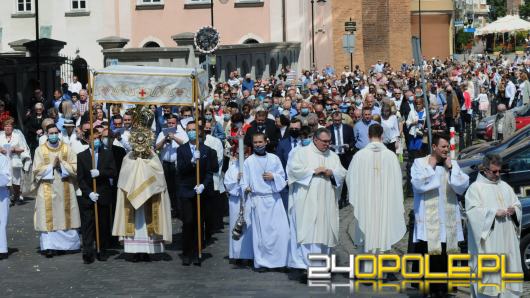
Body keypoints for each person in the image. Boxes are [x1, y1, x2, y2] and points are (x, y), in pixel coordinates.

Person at [411, 134, 469, 296]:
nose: (446, 150)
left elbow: (461, 186)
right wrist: (430, 168)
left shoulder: (452, 164)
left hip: (447, 220)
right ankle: (430, 289)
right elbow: (418, 185)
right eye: (443, 147)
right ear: (434, 147)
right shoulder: (420, 163)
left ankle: (445, 288)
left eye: (447, 147)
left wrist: (450, 169)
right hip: (428, 221)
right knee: (430, 256)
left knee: (446, 255)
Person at [112, 112, 172, 262]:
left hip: (149, 199)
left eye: (143, 142)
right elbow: (124, 177)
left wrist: (149, 186)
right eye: (138, 142)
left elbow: (159, 175)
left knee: (147, 224)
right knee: (135, 223)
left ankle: (147, 251)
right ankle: (134, 251)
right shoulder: (128, 158)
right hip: (132, 201)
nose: (140, 145)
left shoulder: (153, 157)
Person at [287, 128, 346, 277]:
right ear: (315, 139)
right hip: (307, 199)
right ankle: (306, 266)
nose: (327, 144)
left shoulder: (333, 156)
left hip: (326, 200)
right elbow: (293, 171)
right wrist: (313, 171)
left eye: (329, 141)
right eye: (324, 141)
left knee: (325, 230)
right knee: (308, 230)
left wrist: (331, 173)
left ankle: (322, 266)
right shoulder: (301, 153)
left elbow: (342, 173)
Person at [346, 124, 405, 273]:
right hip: (385, 202)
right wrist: (395, 201)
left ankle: (366, 272)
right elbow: (398, 181)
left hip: (365, 203)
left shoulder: (359, 156)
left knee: (366, 233)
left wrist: (358, 196)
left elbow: (350, 178)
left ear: (368, 135)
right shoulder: (391, 156)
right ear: (382, 135)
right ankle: (381, 272)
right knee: (382, 232)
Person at [465, 154, 523, 297]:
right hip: (489, 242)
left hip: (507, 239)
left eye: (499, 171)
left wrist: (514, 210)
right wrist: (492, 213)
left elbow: (517, 205)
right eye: (494, 171)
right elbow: (472, 212)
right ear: (485, 170)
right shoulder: (475, 188)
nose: (498, 175)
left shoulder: (505, 187)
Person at [240, 133, 289, 270]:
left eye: (260, 142)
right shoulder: (248, 161)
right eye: (255, 142)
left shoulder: (274, 158)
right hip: (258, 200)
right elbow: (244, 182)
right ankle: (262, 262)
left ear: (266, 142)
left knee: (281, 232)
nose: (258, 144)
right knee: (261, 235)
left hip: (274, 199)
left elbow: (282, 176)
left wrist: (273, 176)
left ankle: (281, 261)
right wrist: (246, 188)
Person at [32, 124, 81, 258]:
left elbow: (76, 167)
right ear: (47, 134)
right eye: (51, 133)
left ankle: (65, 246)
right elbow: (36, 170)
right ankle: (49, 247)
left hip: (65, 186)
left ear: (59, 133)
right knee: (47, 218)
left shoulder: (67, 148)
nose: (53, 135)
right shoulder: (40, 150)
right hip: (46, 188)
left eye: (55, 132)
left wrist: (62, 165)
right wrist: (51, 166)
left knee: (65, 215)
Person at [176, 121, 217, 266]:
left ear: (199, 132)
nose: (191, 132)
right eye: (189, 130)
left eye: (194, 130)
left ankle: (196, 252)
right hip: (187, 190)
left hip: (201, 191)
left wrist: (203, 185)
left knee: (199, 222)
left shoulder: (207, 150)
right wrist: (192, 161)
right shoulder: (181, 150)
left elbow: (210, 171)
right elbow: (180, 170)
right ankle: (186, 252)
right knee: (188, 222)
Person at [77, 128, 117, 264]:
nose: (97, 141)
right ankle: (88, 252)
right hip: (88, 196)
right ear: (87, 140)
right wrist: (89, 193)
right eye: (94, 138)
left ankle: (102, 250)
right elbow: (80, 179)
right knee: (87, 226)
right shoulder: (81, 156)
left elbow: (113, 172)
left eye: (98, 138)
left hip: (103, 195)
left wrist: (100, 173)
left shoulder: (107, 154)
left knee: (103, 225)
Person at [224, 147, 253, 263]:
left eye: (244, 153)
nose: (241, 156)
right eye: (238, 153)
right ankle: (237, 254)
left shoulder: (251, 166)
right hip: (236, 202)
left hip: (249, 200)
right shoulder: (232, 168)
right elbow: (227, 184)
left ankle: (250, 254)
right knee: (236, 226)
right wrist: (237, 180)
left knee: (249, 226)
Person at [155, 114, 185, 218]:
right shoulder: (162, 133)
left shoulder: (181, 132)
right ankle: (171, 209)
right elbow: (156, 147)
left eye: (173, 123)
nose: (171, 125)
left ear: (176, 123)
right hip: (165, 163)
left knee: (178, 187)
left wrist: (174, 138)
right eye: (169, 123)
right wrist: (164, 140)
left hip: (176, 163)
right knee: (168, 187)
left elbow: (185, 144)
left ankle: (180, 210)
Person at [0, 117, 30, 205]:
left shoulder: (17, 136)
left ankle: (17, 194)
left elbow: (23, 148)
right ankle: (8, 198)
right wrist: (1, 149)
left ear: (12, 127)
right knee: (5, 180)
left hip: (14, 160)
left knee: (16, 182)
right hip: (3, 161)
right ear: (3, 127)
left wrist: (14, 149)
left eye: (9, 126)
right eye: (6, 126)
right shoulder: (0, 136)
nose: (8, 128)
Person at [0, 153, 10, 260]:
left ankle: (2, 249)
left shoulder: (3, 159)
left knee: (1, 221)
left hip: (1, 193)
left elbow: (6, 177)